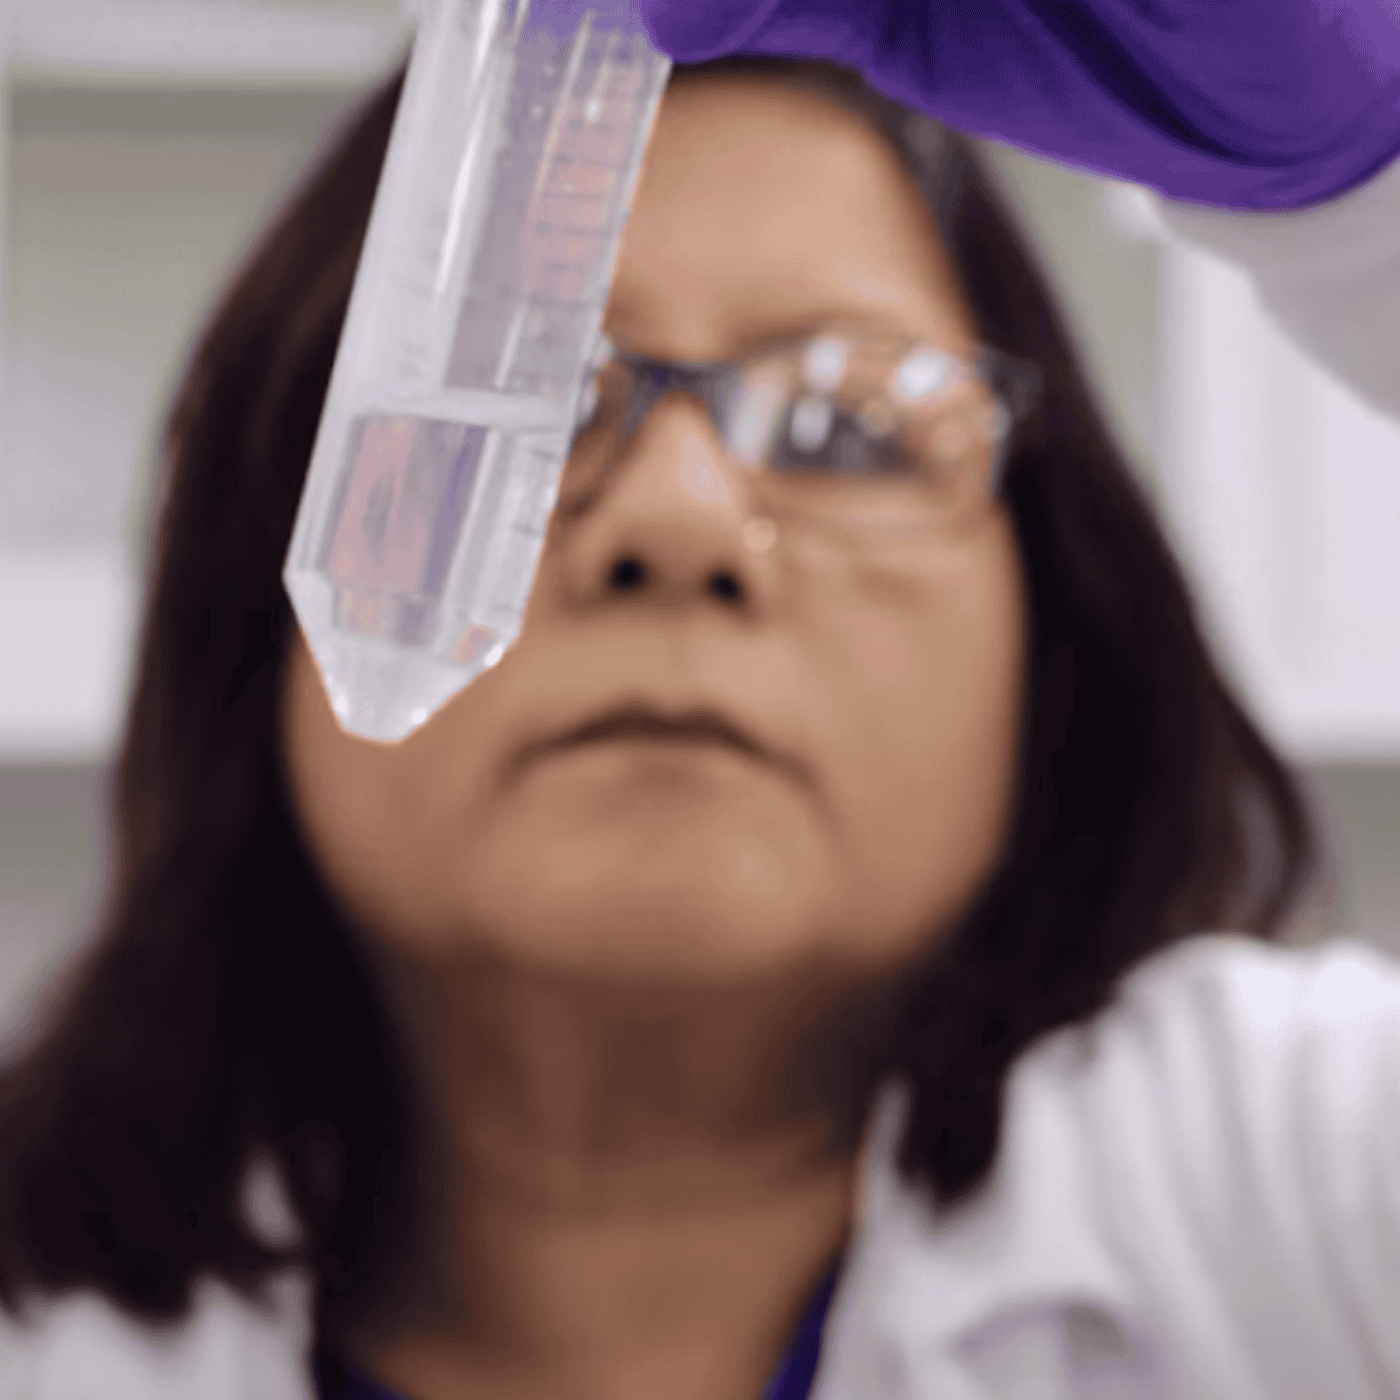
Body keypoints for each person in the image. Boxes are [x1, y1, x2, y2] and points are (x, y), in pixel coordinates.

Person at [1, 4, 1398, 1398]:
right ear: (251, 609)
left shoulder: (1314, 1179)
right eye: (538, 408)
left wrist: (1371, 221)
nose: (680, 522)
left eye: (850, 429)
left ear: (1059, 630)